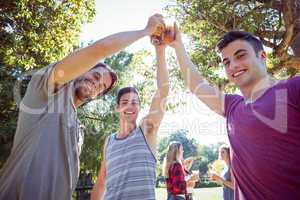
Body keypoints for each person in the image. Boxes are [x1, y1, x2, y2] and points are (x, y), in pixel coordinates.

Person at [0, 14, 165, 200]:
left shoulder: (78, 131)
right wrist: (147, 31)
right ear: (83, 70)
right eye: (96, 76)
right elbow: (100, 49)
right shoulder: (47, 90)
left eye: (101, 87)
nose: (96, 84)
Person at [168, 24, 300, 199]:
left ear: (262, 56)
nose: (233, 65)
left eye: (241, 55)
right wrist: (178, 45)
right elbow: (197, 85)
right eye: (227, 62)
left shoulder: (293, 88)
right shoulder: (233, 106)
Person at [90, 41, 169, 200]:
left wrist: (160, 50)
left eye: (134, 102)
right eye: (124, 103)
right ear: (117, 108)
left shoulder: (146, 130)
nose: (130, 106)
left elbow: (163, 91)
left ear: (139, 107)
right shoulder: (109, 141)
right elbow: (101, 181)